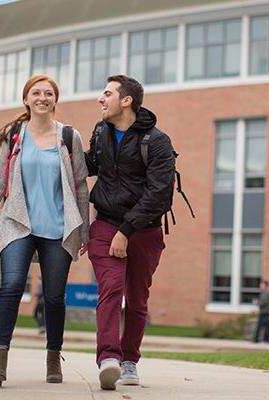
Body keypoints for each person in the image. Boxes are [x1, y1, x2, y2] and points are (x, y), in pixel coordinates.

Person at [0, 74, 89, 387]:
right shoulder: (13, 135)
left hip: (58, 227)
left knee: (54, 297)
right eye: (36, 93)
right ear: (26, 99)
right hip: (17, 223)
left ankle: (53, 357)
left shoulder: (69, 136)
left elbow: (80, 185)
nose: (42, 98)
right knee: (11, 286)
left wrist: (85, 230)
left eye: (48, 93)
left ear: (55, 99)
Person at [85, 75, 176, 391]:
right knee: (110, 288)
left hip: (144, 231)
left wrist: (127, 231)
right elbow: (90, 165)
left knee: (136, 301)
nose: (101, 98)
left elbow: (160, 193)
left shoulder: (157, 141)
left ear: (126, 101)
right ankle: (108, 358)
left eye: (107, 93)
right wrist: (55, 146)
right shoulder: (101, 132)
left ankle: (129, 360)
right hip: (106, 223)